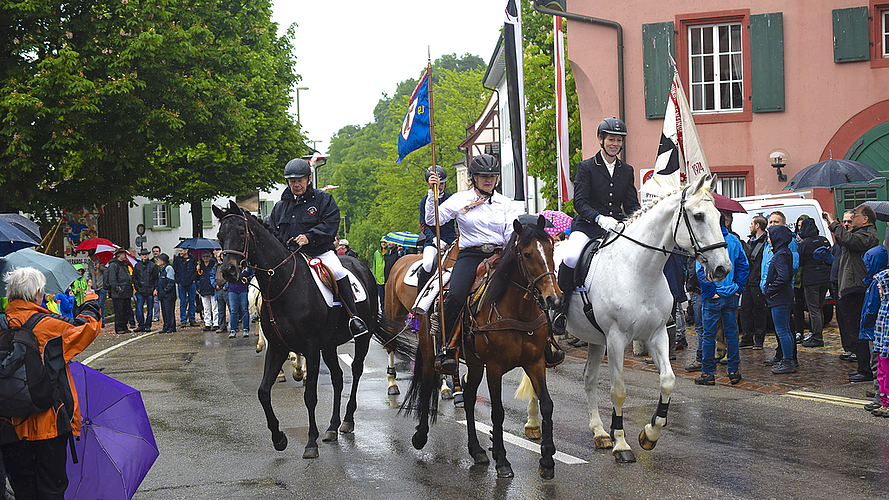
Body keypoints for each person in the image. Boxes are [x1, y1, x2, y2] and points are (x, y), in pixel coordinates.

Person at [1, 267, 101, 499]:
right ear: (36, 293)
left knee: (23, 491)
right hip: (49, 424)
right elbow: (87, 327)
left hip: (7, 425)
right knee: (51, 490)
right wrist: (90, 299)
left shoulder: (2, 323)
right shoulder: (47, 325)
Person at [425, 154, 522, 374]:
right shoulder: (460, 199)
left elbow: (510, 234)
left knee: (530, 288)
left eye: (492, 176)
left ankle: (545, 342)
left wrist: (505, 257)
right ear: (474, 177)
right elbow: (433, 220)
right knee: (455, 297)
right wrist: (434, 194)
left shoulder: (505, 203)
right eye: (483, 176)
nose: (489, 180)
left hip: (501, 255)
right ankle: (448, 347)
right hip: (471, 256)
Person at [552, 117, 640, 335]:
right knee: (571, 257)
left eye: (619, 140)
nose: (615, 144)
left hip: (616, 227)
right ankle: (561, 310)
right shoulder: (586, 167)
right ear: (601, 139)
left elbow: (631, 204)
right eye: (611, 139)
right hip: (588, 226)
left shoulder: (627, 170)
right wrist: (600, 218)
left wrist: (639, 220)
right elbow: (580, 202)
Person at [269, 158, 368, 337]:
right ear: (287, 182)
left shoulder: (323, 199)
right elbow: (273, 232)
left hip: (319, 253)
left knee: (339, 271)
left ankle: (354, 318)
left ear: (308, 179)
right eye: (292, 181)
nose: (296, 184)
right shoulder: (280, 206)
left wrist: (309, 237)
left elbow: (331, 223)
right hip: (291, 257)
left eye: (300, 180)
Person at [825, 205, 879, 382]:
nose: (852, 219)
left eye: (855, 216)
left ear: (865, 219)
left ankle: (866, 370)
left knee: (859, 331)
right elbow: (844, 241)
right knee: (852, 330)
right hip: (849, 287)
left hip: (857, 288)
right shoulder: (858, 234)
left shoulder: (868, 235)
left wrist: (834, 224)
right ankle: (863, 367)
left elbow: (849, 240)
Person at [694, 214, 749, 385]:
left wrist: (710, 291)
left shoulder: (706, 242)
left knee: (709, 335)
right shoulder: (733, 240)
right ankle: (733, 371)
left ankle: (708, 374)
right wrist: (738, 289)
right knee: (731, 334)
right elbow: (744, 266)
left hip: (714, 296)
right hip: (731, 294)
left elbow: (700, 271)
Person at [761, 211, 799, 367]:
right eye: (770, 222)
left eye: (775, 222)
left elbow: (785, 275)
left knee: (783, 329)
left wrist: (770, 288)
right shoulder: (777, 250)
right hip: (776, 295)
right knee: (782, 330)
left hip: (779, 296)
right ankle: (783, 356)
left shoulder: (783, 251)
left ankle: (789, 359)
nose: (771, 225)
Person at [417, 165, 458, 291]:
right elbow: (423, 225)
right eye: (436, 185)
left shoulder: (451, 198)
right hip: (433, 242)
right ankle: (421, 295)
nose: (439, 187)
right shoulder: (424, 202)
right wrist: (435, 239)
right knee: (428, 264)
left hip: (451, 239)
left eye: (442, 184)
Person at [797, 217, 832, 347]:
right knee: (819, 307)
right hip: (824, 278)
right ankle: (817, 334)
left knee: (814, 309)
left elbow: (800, 262)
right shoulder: (824, 240)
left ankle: (817, 337)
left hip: (811, 279)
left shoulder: (805, 243)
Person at [739, 215, 768, 349]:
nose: (750, 226)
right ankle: (747, 337)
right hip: (748, 282)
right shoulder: (750, 241)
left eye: (752, 224)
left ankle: (759, 339)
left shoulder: (765, 242)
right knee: (745, 310)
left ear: (757, 226)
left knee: (759, 311)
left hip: (757, 282)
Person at [104, 247, 133, 334]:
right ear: (119, 255)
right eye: (123, 254)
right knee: (119, 310)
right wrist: (116, 288)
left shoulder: (124, 264)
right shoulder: (113, 265)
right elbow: (112, 278)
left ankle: (124, 326)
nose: (125, 256)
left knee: (126, 310)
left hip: (126, 291)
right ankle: (119, 328)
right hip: (118, 292)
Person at [132, 248, 159, 332]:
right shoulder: (137, 265)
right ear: (140, 255)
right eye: (143, 254)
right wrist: (137, 288)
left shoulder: (152, 265)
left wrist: (155, 288)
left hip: (149, 290)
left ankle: (147, 325)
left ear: (148, 255)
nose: (144, 256)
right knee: (139, 309)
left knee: (150, 309)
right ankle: (141, 325)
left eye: (146, 254)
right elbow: (134, 278)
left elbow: (156, 278)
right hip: (140, 290)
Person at [173, 248, 198, 327]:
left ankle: (192, 319)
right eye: (179, 251)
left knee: (192, 302)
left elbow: (195, 270)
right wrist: (178, 280)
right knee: (182, 302)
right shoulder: (177, 259)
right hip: (182, 283)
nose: (180, 252)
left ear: (186, 250)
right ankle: (183, 320)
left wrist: (194, 279)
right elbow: (175, 270)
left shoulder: (192, 258)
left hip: (191, 282)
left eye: (181, 251)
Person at [228, 267, 253, 338]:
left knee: (244, 309)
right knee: (233, 310)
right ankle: (233, 329)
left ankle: (246, 329)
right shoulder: (231, 264)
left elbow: (251, 275)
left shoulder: (246, 265)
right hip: (232, 289)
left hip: (243, 289)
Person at [197, 250, 219, 332]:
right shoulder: (200, 266)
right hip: (203, 288)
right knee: (206, 308)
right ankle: (207, 323)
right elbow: (197, 277)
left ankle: (216, 323)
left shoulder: (213, 265)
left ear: (210, 256)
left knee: (214, 307)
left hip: (212, 288)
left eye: (207, 256)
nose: (205, 258)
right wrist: (197, 270)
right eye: (203, 256)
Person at [155, 253, 177, 333]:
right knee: (164, 311)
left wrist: (165, 290)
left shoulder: (169, 268)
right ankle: (166, 326)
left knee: (169, 311)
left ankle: (171, 326)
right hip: (163, 294)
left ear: (163, 261)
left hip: (168, 295)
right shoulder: (161, 269)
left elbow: (170, 282)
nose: (157, 261)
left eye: (159, 260)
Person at [86, 250, 107, 326]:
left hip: (102, 286)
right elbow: (90, 274)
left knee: (101, 304)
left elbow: (106, 271)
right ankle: (97, 321)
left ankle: (102, 321)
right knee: (96, 305)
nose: (91, 258)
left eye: (92, 256)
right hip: (95, 287)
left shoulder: (101, 262)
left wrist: (100, 267)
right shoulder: (90, 264)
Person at [213, 248, 229, 333]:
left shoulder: (227, 266)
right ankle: (222, 326)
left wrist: (226, 285)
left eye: (221, 256)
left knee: (231, 308)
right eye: (218, 256)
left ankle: (235, 325)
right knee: (220, 310)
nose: (219, 258)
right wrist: (215, 285)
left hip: (226, 290)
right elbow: (212, 277)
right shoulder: (216, 267)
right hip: (218, 290)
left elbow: (230, 277)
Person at [151, 246, 162, 321]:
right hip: (154, 282)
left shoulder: (162, 261)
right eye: (154, 251)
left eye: (157, 251)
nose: (155, 253)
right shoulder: (151, 262)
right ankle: (156, 315)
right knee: (155, 300)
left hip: (161, 281)